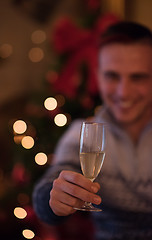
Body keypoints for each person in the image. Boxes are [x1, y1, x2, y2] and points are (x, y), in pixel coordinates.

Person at [33, 21, 152, 240]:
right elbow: (48, 188)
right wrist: (55, 197)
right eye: (112, 76)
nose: (124, 92)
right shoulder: (82, 133)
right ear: (98, 75)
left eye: (138, 77)